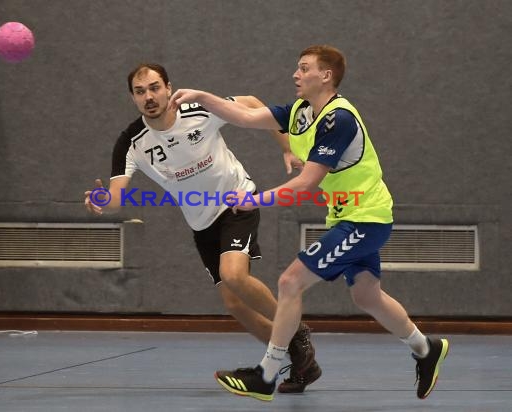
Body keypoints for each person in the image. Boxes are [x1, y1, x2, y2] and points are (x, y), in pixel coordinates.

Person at [170, 45, 449, 402]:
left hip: (366, 218)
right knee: (366, 295)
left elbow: (306, 184)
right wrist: (202, 96)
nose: (295, 75)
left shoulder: (339, 118)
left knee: (290, 281)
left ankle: (266, 375)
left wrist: (253, 200)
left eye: (304, 69)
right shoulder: (302, 112)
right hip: (348, 216)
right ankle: (426, 348)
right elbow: (244, 117)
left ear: (326, 75)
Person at [84, 63, 321, 393]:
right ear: (133, 98)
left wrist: (286, 148)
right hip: (201, 222)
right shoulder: (131, 143)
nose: (149, 97)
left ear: (169, 88)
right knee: (234, 303)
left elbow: (252, 103)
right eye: (140, 92)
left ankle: (297, 332)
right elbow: (116, 197)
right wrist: (100, 201)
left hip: (238, 200)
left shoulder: (198, 109)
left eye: (154, 87)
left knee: (235, 274)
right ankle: (300, 357)